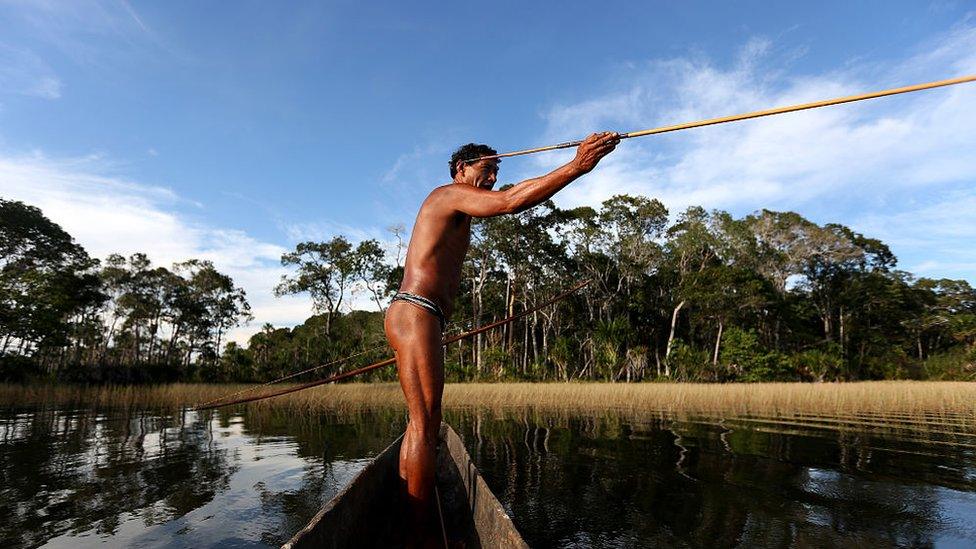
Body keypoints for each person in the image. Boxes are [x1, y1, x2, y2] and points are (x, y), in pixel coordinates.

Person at [383, 131, 620, 538]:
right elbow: (513, 200)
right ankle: (421, 536)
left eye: (497, 170)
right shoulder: (447, 194)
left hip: (422, 315)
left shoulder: (459, 207)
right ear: (461, 170)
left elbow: (511, 192)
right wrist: (577, 166)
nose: (492, 178)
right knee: (426, 423)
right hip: (415, 312)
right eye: (486, 169)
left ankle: (411, 515)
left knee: (419, 422)